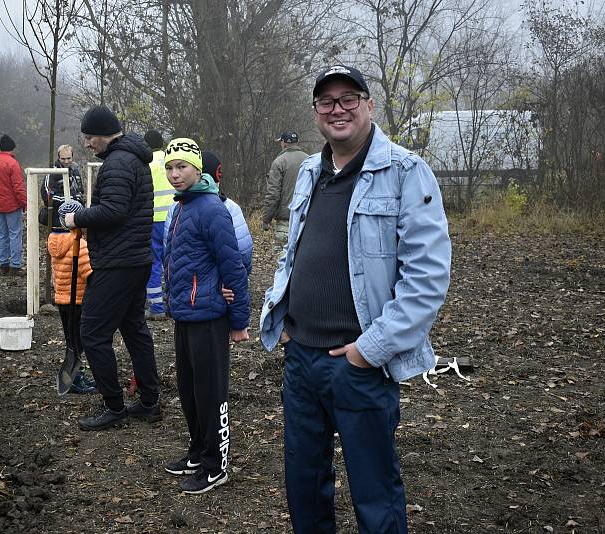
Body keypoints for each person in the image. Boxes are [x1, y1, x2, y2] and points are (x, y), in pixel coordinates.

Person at [259, 64, 451, 533]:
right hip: (301, 359)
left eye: (349, 98)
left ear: (369, 104)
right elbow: (295, 252)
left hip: (358, 364)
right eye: (327, 101)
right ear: (316, 112)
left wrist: (370, 351)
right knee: (304, 488)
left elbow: (426, 277)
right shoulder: (308, 170)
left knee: (375, 495)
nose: (338, 109)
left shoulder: (406, 171)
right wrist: (281, 313)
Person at [62, 105, 161, 431]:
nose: (88, 144)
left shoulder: (119, 162)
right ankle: (149, 402)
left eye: (90, 137)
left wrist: (77, 217)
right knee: (133, 329)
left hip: (119, 263)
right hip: (136, 259)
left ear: (104, 133)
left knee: (92, 332)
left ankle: (114, 406)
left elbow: (115, 211)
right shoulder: (133, 158)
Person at [160, 138, 250, 494]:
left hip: (210, 316)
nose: (174, 174)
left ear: (198, 168)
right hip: (185, 314)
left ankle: (216, 466)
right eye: (169, 167)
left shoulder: (212, 209)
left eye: (181, 166)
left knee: (211, 394)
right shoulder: (182, 206)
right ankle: (198, 452)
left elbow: (233, 265)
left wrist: (239, 320)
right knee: (189, 390)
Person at [40, 145, 95, 394]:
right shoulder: (78, 245)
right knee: (79, 341)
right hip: (78, 300)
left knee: (70, 338)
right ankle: (77, 376)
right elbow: (89, 274)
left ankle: (73, 372)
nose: (67, 162)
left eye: (69, 158)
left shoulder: (54, 243)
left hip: (63, 300)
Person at [165, 150, 252, 274]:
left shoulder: (176, 207)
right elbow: (244, 250)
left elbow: (168, 250)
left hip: (184, 283)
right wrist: (238, 277)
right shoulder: (231, 207)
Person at [0, 134, 27, 275]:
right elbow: (18, 188)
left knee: (2, 234)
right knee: (15, 234)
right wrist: (25, 203)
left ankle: (3, 264)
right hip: (12, 206)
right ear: (12, 148)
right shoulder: (12, 164)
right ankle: (15, 265)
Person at [144, 129, 173, 320]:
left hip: (152, 219)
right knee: (172, 261)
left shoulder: (146, 164)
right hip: (173, 218)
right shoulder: (171, 162)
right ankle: (173, 302)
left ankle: (156, 307)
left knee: (153, 262)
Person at [262, 130, 308, 246]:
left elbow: (273, 194)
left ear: (284, 143)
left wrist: (266, 219)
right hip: (306, 220)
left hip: (285, 221)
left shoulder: (279, 162)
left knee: (282, 259)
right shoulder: (310, 160)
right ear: (297, 142)